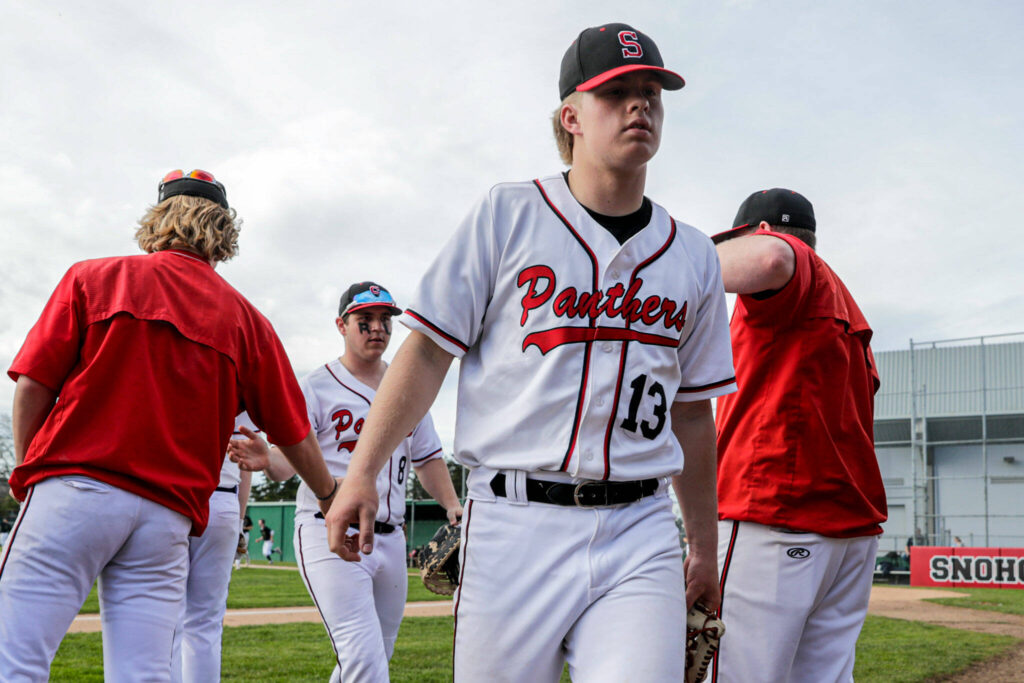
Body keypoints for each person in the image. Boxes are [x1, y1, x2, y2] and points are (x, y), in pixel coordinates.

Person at [326, 24, 736, 682]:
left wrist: (706, 549)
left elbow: (692, 412)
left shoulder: (692, 255)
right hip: (512, 523)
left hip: (640, 527)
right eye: (617, 93)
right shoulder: (509, 213)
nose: (641, 105)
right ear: (571, 116)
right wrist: (362, 472)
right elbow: (427, 351)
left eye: (651, 93)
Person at [0, 168, 338, 681]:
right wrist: (331, 493)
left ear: (157, 219)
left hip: (76, 489)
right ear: (223, 233)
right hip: (167, 517)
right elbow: (294, 433)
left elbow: (33, 387)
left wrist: (28, 474)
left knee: (14, 657)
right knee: (143, 673)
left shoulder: (94, 276)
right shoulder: (248, 320)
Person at [231, 281, 462, 682]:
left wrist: (453, 505)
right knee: (363, 658)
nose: (378, 328)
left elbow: (428, 459)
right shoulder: (317, 386)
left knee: (374, 657)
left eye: (385, 320)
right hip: (329, 532)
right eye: (365, 320)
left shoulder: (407, 385)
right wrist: (268, 459)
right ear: (341, 325)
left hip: (390, 538)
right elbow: (288, 460)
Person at [710, 188, 887, 682]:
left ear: (759, 231)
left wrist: (662, 257)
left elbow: (769, 259)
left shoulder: (791, 267)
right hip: (847, 535)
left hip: (777, 518)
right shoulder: (850, 316)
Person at [170, 413, 257, 683]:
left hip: (173, 494)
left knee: (164, 617)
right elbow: (245, 467)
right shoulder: (240, 380)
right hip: (224, 500)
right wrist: (240, 520)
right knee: (205, 623)